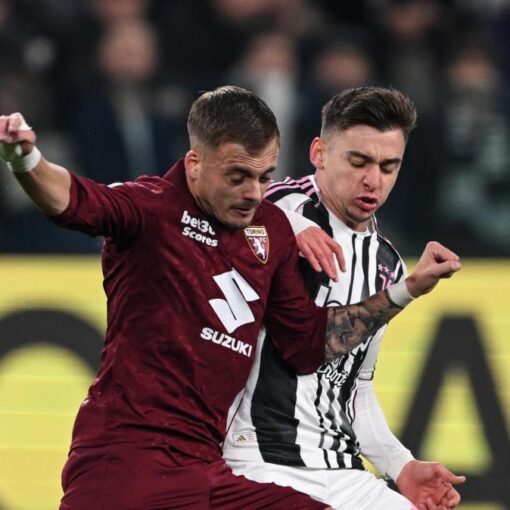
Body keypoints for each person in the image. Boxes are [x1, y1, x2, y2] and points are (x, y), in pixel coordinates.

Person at [0, 86, 460, 509]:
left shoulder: (286, 232)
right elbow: (76, 201)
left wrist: (403, 290)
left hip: (208, 469)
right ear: (195, 164)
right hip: (143, 453)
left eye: (264, 178)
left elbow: (314, 351)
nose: (253, 193)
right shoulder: (156, 208)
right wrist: (26, 160)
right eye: (238, 176)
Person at [223, 87, 465, 510]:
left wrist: (401, 466)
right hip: (259, 459)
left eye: (389, 167)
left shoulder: (386, 262)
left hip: (342, 469)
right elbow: (215, 205)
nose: (373, 180)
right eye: (359, 162)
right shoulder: (273, 206)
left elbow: (354, 385)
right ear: (319, 152)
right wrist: (289, 228)